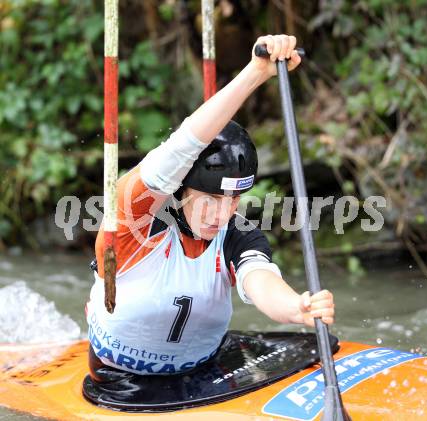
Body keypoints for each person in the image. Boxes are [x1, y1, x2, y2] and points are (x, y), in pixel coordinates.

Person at [86, 34, 335, 377]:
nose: (224, 213)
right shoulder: (133, 224)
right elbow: (180, 148)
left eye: (234, 199)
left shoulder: (238, 236)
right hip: (117, 380)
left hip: (205, 375)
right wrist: (257, 71)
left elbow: (258, 281)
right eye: (212, 199)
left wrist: (296, 307)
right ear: (181, 189)